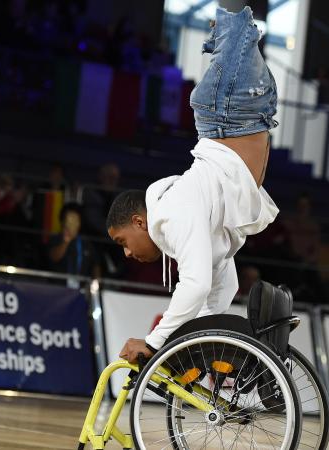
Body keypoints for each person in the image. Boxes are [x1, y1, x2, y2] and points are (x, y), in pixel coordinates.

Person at [107, 7, 280, 363]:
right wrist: (199, 340)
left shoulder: (170, 216)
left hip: (228, 111)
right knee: (236, 26)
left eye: (122, 241)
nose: (126, 253)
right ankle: (223, 31)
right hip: (239, 111)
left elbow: (196, 284)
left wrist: (154, 340)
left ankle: (224, 28)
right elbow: (221, 287)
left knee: (236, 20)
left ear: (139, 222)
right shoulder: (192, 219)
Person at [47, 203, 101, 279]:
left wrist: (96, 281)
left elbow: (95, 264)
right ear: (63, 222)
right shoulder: (56, 238)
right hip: (59, 287)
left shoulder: (86, 243)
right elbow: (54, 258)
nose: (72, 224)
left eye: (75, 220)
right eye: (69, 220)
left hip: (80, 288)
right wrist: (66, 241)